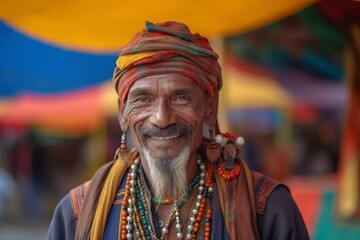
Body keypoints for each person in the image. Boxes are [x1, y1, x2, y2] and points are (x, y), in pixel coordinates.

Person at [47, 21, 309, 240]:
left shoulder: (267, 209)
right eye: (143, 99)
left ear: (210, 106)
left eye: (181, 97)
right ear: (122, 113)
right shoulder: (77, 213)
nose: (162, 118)